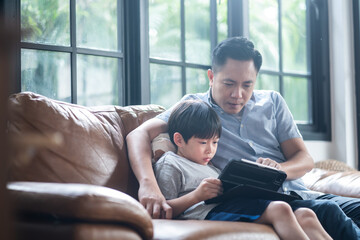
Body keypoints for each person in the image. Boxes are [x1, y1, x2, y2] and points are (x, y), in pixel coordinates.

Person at [126, 36, 360, 239]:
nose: (237, 95)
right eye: (228, 83)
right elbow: (139, 134)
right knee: (328, 212)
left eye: (247, 85)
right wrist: (148, 185)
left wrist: (278, 170)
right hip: (259, 202)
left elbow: (304, 159)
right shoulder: (196, 110)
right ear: (211, 76)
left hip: (300, 191)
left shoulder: (273, 102)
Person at [154, 99, 332, 240]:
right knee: (280, 209)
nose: (210, 149)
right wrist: (196, 196)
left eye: (215, 142)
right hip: (210, 213)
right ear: (179, 140)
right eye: (203, 142)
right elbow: (163, 210)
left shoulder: (209, 166)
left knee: (306, 214)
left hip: (234, 205)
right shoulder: (170, 163)